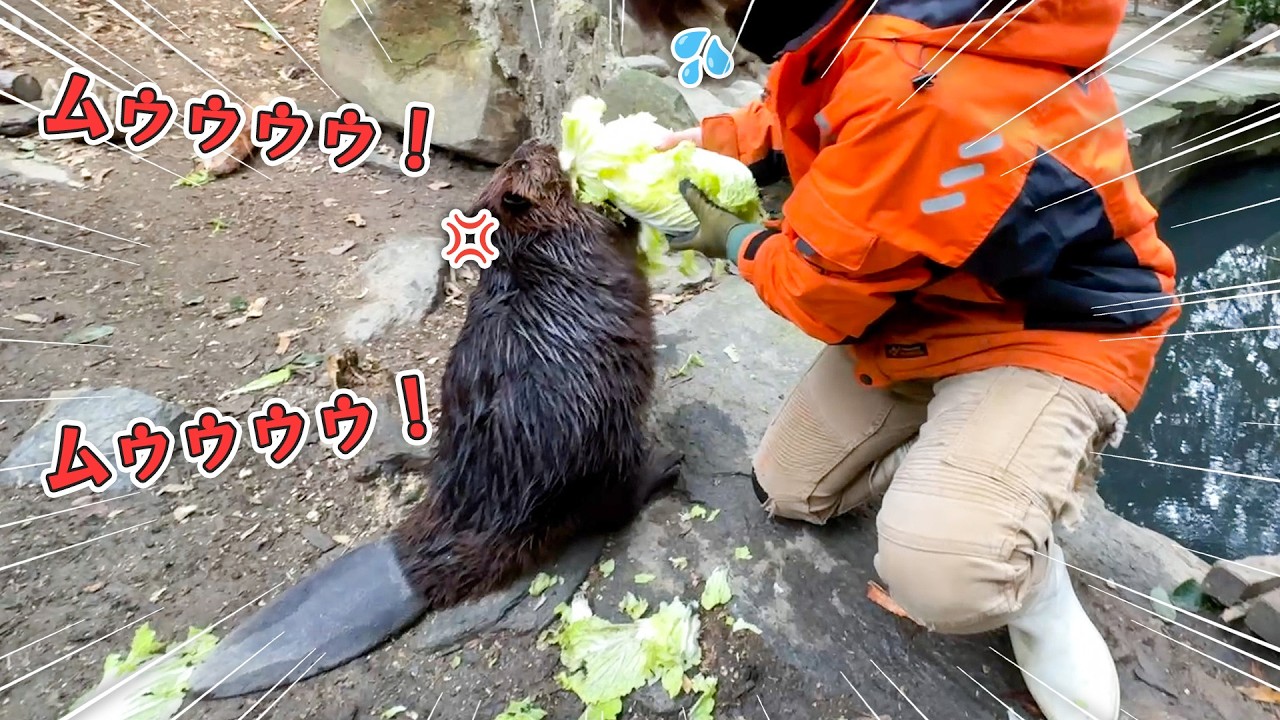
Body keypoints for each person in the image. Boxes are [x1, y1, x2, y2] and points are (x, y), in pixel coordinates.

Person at [628, 1, 1181, 719]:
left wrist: (734, 242)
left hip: (1050, 327)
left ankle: (1024, 567)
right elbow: (804, 107)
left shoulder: (914, 79)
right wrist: (710, 142)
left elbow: (819, 289)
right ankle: (973, 469)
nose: (707, 20)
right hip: (925, 311)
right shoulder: (848, 19)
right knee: (788, 491)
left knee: (944, 572)